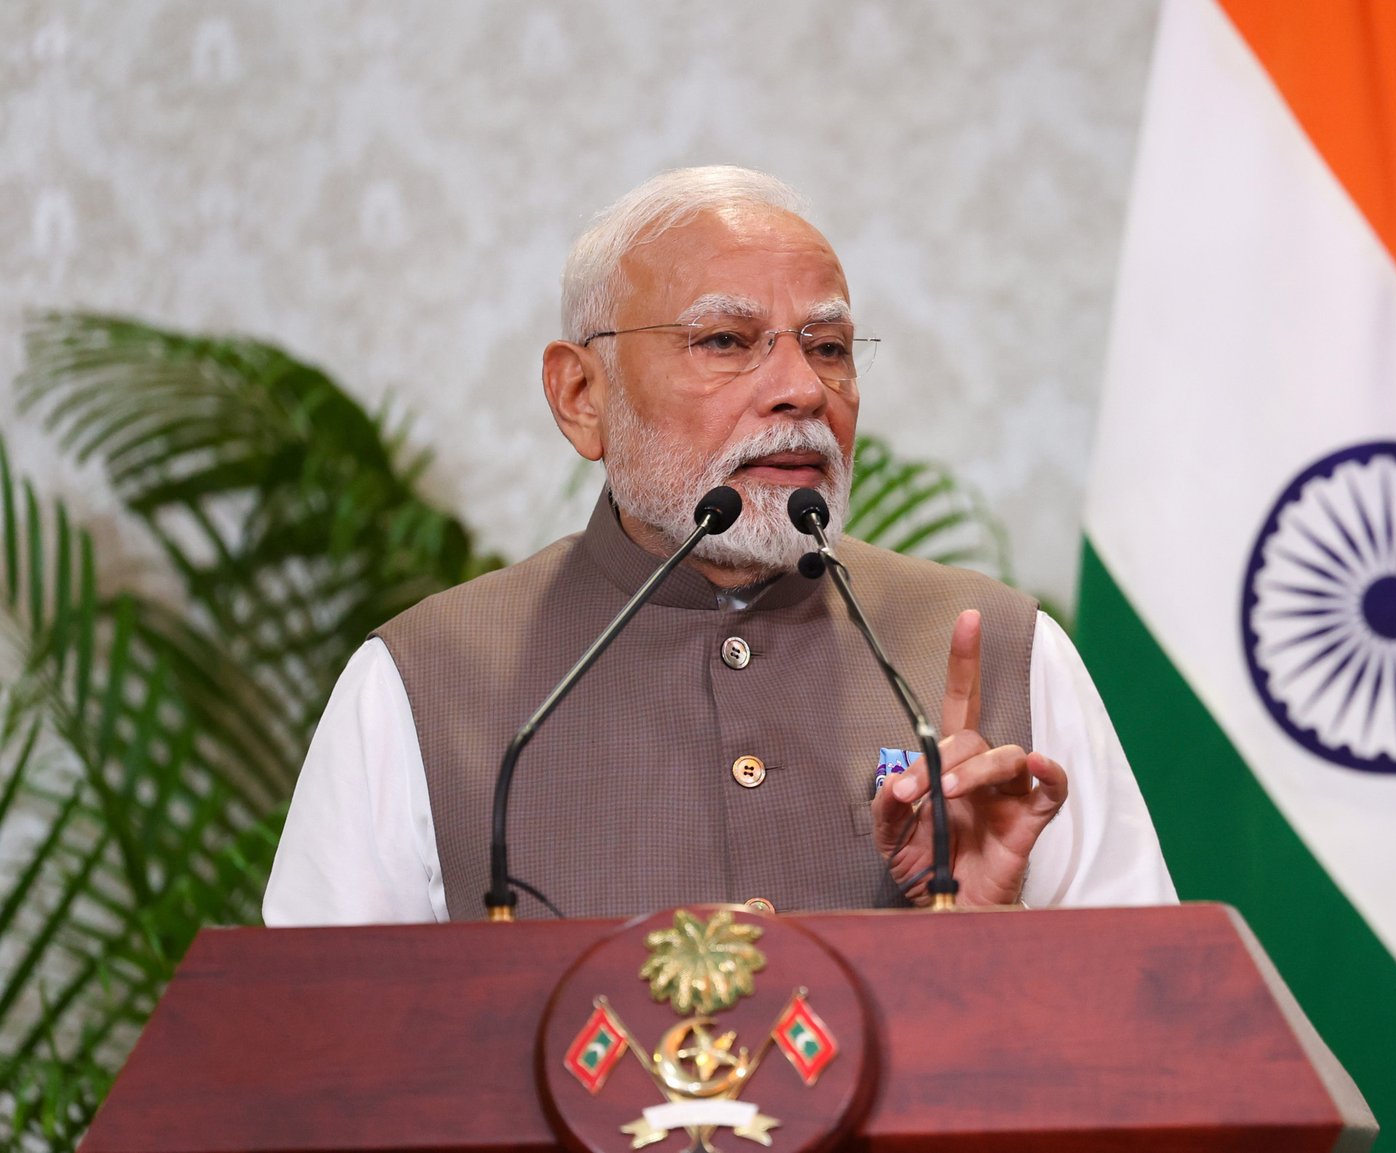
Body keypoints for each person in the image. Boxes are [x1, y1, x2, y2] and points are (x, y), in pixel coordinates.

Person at [263, 166, 1174, 925]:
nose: (801, 389)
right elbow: (320, 1068)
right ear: (582, 395)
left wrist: (980, 935)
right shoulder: (420, 681)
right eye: (726, 340)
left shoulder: (1006, 652)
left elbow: (1151, 1049)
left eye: (828, 346)